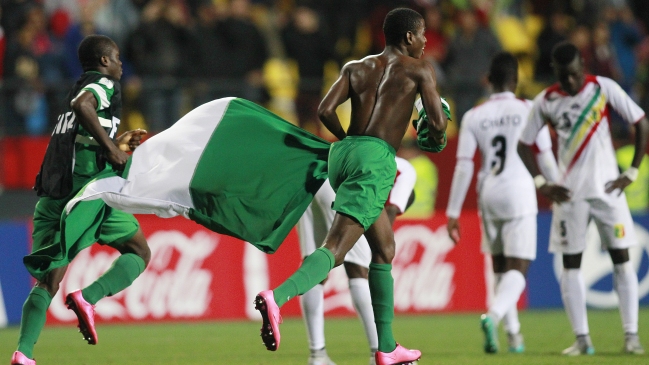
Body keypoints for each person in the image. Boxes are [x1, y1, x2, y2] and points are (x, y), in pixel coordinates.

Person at [254, 8, 448, 365]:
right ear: (409, 37)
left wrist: (349, 143)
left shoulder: (355, 67)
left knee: (385, 248)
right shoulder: (419, 69)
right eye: (421, 35)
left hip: (341, 154)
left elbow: (325, 111)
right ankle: (276, 298)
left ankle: (387, 347)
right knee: (337, 249)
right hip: (376, 158)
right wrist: (435, 128)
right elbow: (435, 124)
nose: (424, 41)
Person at [11, 34, 149, 365]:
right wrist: (112, 149)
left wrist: (117, 141)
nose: (119, 64)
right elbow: (83, 105)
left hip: (53, 196)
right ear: (104, 62)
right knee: (139, 251)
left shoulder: (75, 92)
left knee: (48, 281)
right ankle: (88, 298)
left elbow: (81, 134)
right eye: (116, 58)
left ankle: (23, 354)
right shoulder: (101, 85)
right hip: (87, 194)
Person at [518, 41, 648, 356]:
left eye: (575, 74)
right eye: (565, 77)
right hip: (569, 195)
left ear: (582, 67)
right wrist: (541, 182)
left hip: (607, 191)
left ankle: (631, 336)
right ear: (556, 72)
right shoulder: (546, 100)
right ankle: (582, 339)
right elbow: (524, 143)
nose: (572, 82)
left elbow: (641, 122)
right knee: (571, 265)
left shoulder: (602, 87)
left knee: (622, 259)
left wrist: (631, 172)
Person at [445, 52, 560, 354]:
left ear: (488, 81)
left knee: (499, 266)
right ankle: (493, 316)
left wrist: (453, 211)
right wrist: (558, 187)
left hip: (489, 192)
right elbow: (544, 155)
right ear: (516, 80)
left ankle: (514, 335)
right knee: (518, 268)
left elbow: (464, 165)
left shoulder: (474, 114)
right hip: (519, 190)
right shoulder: (529, 108)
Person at [298, 157, 416, 365]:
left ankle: (317, 355)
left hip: (313, 174)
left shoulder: (385, 160)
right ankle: (379, 352)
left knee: (314, 267)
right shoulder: (407, 173)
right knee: (359, 270)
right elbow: (389, 212)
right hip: (344, 183)